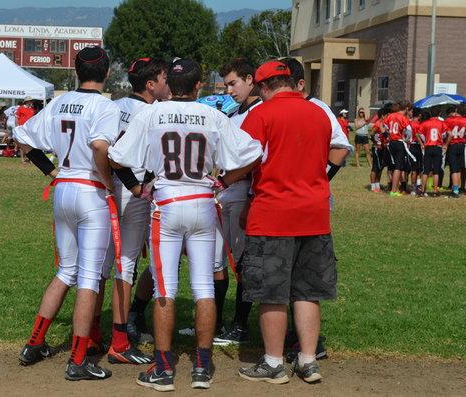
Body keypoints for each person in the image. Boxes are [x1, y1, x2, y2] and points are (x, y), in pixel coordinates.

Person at [109, 58, 262, 391]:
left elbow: (117, 156)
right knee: (204, 287)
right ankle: (202, 367)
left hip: (166, 203)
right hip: (203, 201)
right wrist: (224, 181)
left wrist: (141, 184)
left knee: (166, 289)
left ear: (171, 84)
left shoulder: (150, 114)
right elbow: (253, 153)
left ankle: (163, 369)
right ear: (198, 86)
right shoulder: (215, 115)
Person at [14, 46, 121, 381]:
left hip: (63, 186)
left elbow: (23, 138)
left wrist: (50, 170)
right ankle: (77, 361)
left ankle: (35, 343)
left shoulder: (59, 102)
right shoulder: (105, 105)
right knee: (88, 277)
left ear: (76, 72)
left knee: (66, 271)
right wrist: (106, 182)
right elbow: (101, 147)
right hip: (90, 191)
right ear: (106, 73)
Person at [237, 60, 343, 384]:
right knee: (307, 292)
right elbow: (335, 151)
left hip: (273, 214)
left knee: (272, 292)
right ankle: (308, 361)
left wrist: (225, 180)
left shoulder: (261, 114)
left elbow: (243, 158)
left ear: (265, 87)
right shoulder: (320, 113)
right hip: (314, 213)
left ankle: (273, 362)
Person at [94, 57, 169, 365]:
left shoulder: (117, 105)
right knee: (125, 265)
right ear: (150, 84)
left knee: (102, 265)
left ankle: (92, 332)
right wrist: (137, 187)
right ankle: (120, 340)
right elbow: (118, 156)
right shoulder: (150, 113)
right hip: (133, 190)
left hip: (107, 190)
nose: (167, 83)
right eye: (164, 77)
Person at [211, 58, 262, 347]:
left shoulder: (259, 111)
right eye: (226, 84)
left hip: (241, 190)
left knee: (241, 261)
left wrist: (229, 183)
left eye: (233, 83)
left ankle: (239, 325)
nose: (229, 90)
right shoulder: (235, 113)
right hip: (225, 192)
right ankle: (214, 323)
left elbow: (254, 159)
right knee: (215, 260)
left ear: (249, 79)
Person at [385, 100, 412, 196]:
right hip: (399, 142)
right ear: (407, 108)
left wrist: (389, 134)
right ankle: (394, 190)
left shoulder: (390, 116)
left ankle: (393, 188)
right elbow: (409, 130)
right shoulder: (403, 118)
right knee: (398, 167)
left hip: (391, 142)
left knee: (393, 166)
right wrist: (406, 139)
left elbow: (385, 127)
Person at [444, 103, 466, 197]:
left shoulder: (448, 120)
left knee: (454, 169)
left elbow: (446, 133)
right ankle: (457, 188)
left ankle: (455, 190)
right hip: (462, 145)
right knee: (458, 168)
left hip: (453, 145)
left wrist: (446, 144)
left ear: (456, 110)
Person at [419, 107, 445, 197]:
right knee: (436, 171)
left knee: (426, 170)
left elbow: (418, 133)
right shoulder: (441, 123)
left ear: (430, 113)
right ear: (439, 114)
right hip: (437, 147)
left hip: (428, 147)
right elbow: (448, 133)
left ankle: (422, 190)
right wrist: (446, 144)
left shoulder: (425, 123)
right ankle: (435, 191)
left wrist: (422, 142)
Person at [369, 109, 389, 192]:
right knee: (375, 167)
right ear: (383, 115)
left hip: (383, 148)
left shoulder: (384, 124)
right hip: (377, 148)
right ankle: (373, 186)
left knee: (380, 167)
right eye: (387, 115)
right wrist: (376, 143)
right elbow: (371, 134)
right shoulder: (377, 124)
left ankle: (378, 185)